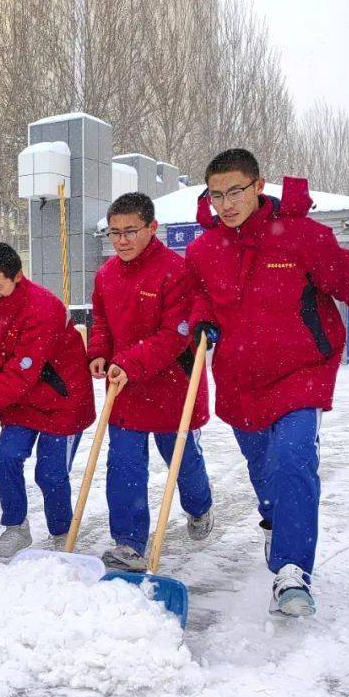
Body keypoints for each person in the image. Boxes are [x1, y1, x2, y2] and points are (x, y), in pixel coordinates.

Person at [186, 148, 349, 617]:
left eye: (236, 191)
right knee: (264, 471)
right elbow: (197, 297)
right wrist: (200, 320)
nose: (227, 203)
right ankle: (275, 517)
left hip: (301, 373)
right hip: (238, 378)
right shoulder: (203, 250)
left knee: (293, 460)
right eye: (217, 195)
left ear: (258, 186)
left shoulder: (301, 236)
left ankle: (293, 571)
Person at [88, 192, 214, 571]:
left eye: (130, 231)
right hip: (125, 388)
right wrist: (98, 352)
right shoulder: (106, 275)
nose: (122, 240)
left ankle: (200, 505)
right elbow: (103, 323)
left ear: (152, 228)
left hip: (173, 388)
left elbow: (174, 335)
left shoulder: (176, 272)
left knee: (183, 462)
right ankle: (129, 544)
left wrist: (127, 360)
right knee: (124, 465)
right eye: (114, 233)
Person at [0, 242, 95, 558]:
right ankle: (15, 528)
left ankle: (61, 535)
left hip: (62, 400)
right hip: (20, 401)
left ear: (17, 277)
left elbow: (20, 375)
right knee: (4, 457)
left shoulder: (42, 307)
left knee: (50, 473)